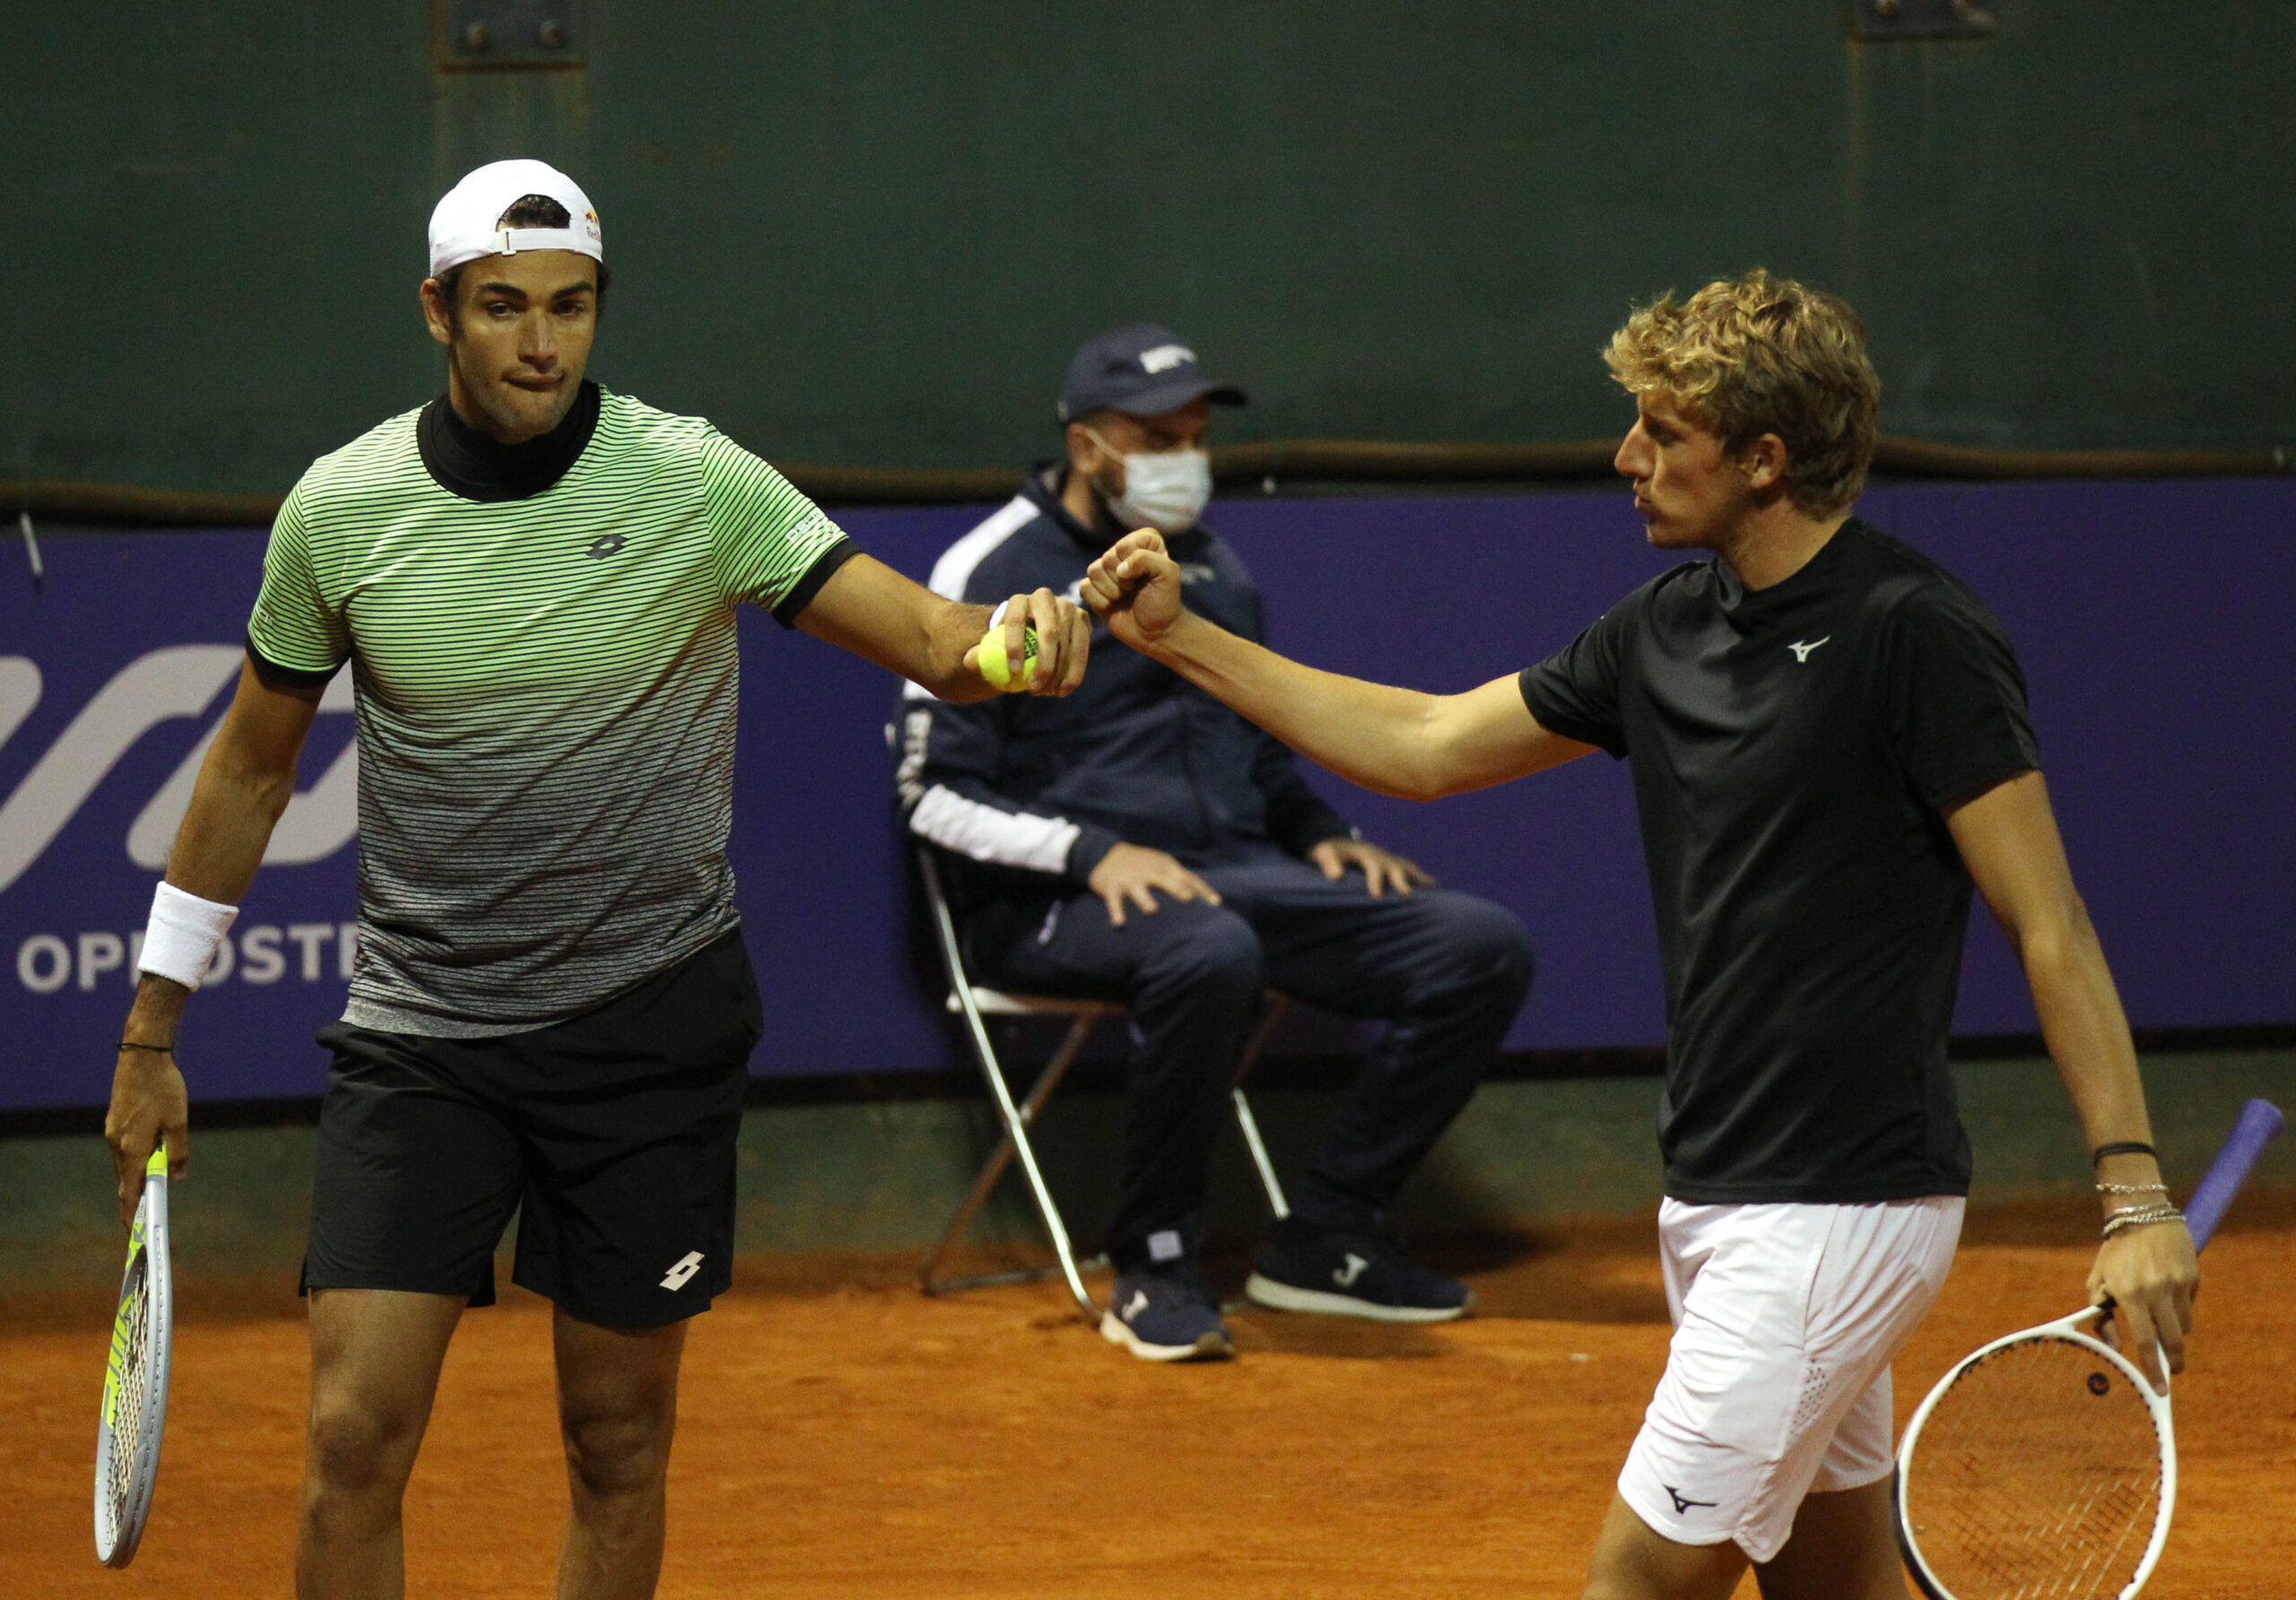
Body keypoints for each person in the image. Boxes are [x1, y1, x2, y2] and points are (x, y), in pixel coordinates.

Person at [1081, 273, 2200, 1596]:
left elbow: (2048, 918)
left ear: (1765, 459)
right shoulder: (1664, 628)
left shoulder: (1917, 633)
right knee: (1837, 1578)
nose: (1628, 459)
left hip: (1837, 1205)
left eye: (1665, 434)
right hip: (1720, 1189)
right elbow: (1428, 745)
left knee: (1639, 1582)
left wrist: (2134, 1195)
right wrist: (1182, 638)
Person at [100, 158, 1090, 1600]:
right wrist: (151, 1028)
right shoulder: (340, 511)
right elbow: (250, 772)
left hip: (650, 1029)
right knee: (350, 1435)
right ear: (437, 312)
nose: (542, 342)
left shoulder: (696, 480)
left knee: (618, 1441)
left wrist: (1035, 636)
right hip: (423, 1040)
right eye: (503, 307)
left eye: (571, 306)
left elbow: (945, 643)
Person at [895, 324, 1535, 1362]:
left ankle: (1325, 1234)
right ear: (1087, 443)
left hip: (1237, 875)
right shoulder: (987, 567)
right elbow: (929, 794)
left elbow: (1261, 747)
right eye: (1155, 436)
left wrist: (1324, 833)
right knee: (1210, 947)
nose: (1181, 458)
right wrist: (1089, 853)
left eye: (1193, 434)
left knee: (1476, 944)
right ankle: (1152, 1263)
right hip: (1056, 904)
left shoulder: (1213, 569)